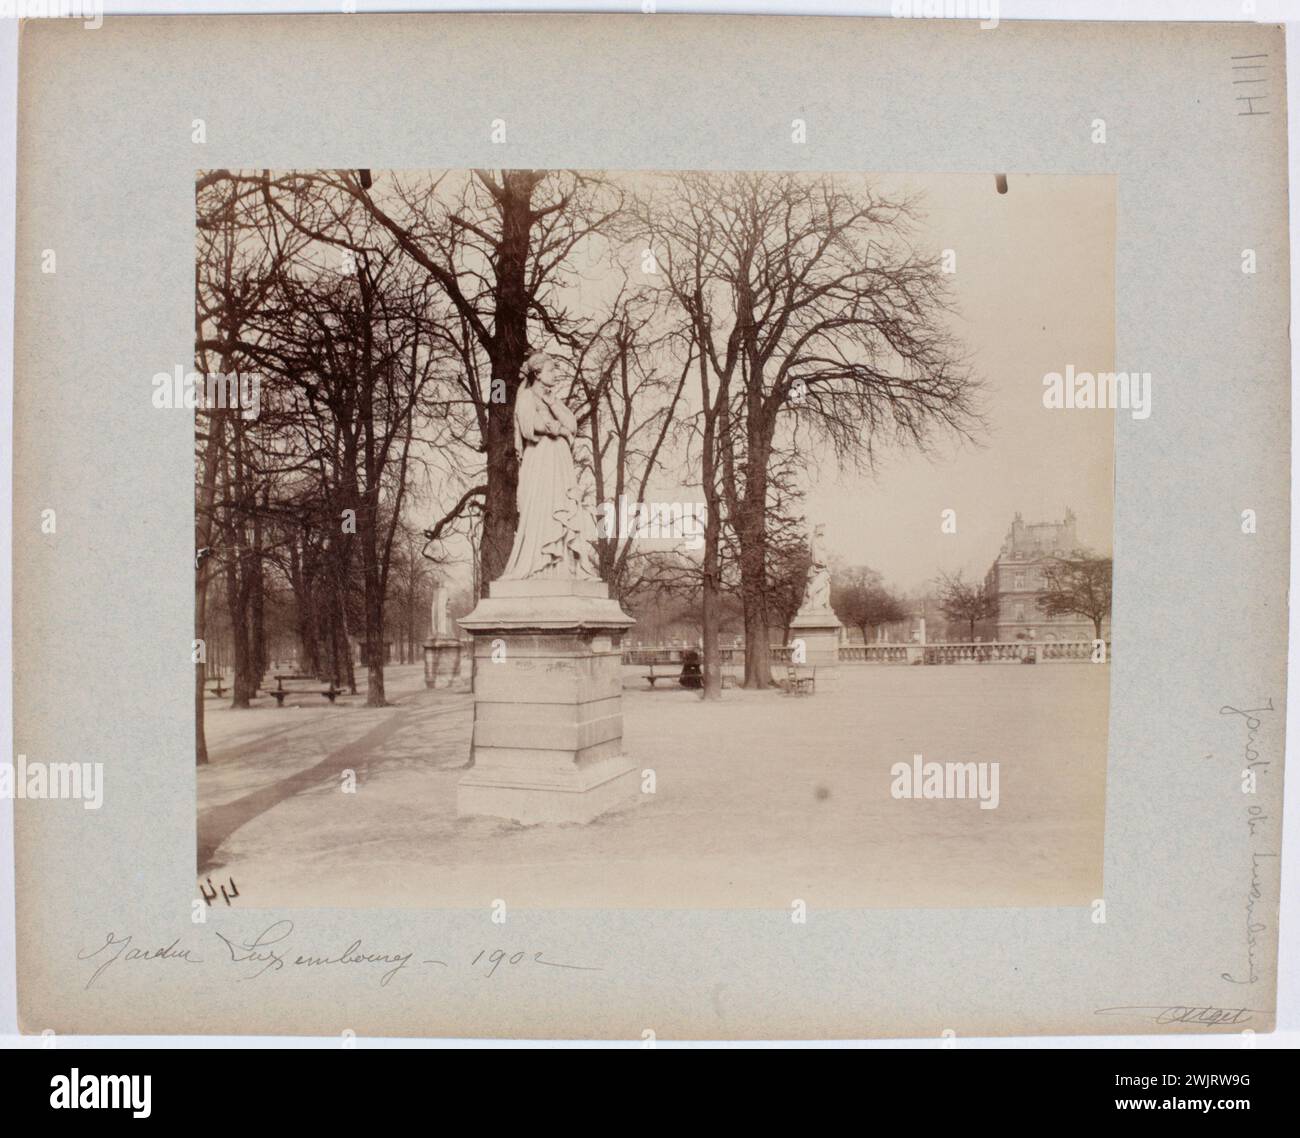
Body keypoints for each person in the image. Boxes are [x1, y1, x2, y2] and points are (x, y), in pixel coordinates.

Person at [499, 350, 598, 581]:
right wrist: (556, 427)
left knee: (562, 508)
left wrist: (553, 405)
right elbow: (529, 425)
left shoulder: (551, 398)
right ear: (537, 372)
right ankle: (539, 564)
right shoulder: (525, 397)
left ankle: (565, 567)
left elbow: (571, 424)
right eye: (551, 369)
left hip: (559, 462)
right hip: (541, 460)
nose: (555, 374)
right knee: (542, 508)